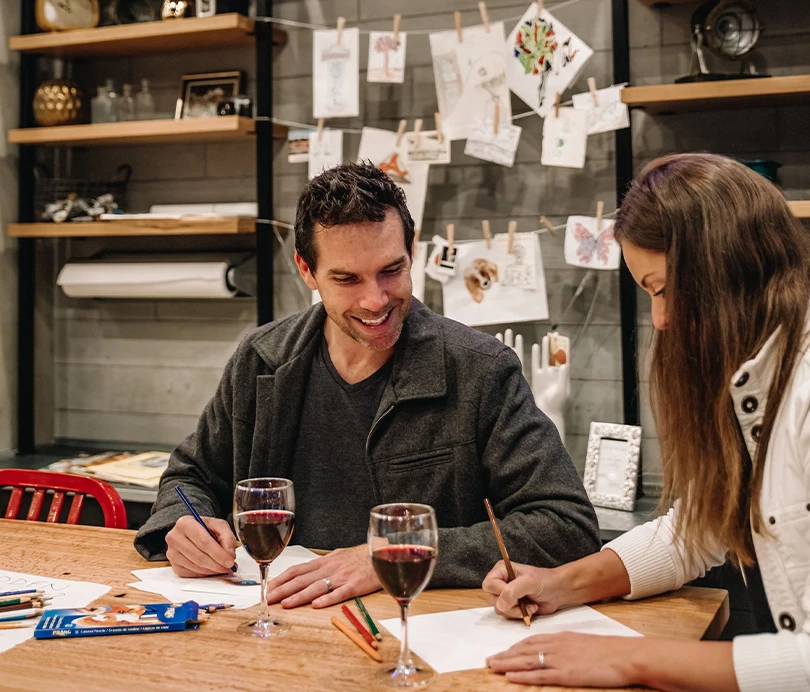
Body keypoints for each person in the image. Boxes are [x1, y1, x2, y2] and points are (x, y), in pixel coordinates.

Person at [134, 162, 601, 609]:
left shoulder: (480, 371)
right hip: (279, 623)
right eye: (346, 279)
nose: (375, 299)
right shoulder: (260, 360)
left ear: (411, 252)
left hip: (425, 633)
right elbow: (189, 476)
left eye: (391, 271)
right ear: (306, 270)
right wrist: (182, 523)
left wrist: (388, 555)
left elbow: (564, 525)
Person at [482, 153, 810, 692]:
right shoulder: (756, 380)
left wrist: (630, 660)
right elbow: (696, 529)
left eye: (661, 289)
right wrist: (562, 584)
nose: (660, 320)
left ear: (720, 266)